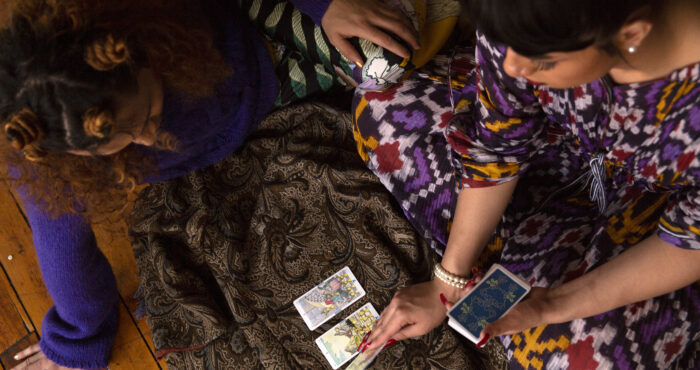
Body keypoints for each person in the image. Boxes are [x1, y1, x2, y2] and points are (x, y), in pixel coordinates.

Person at [0, 0, 420, 368]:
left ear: (142, 46)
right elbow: (62, 252)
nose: (147, 138)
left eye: (148, 114)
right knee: (383, 61)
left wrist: (325, 5)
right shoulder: (52, 160)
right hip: (277, 95)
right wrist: (74, 340)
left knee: (389, 52)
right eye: (121, 142)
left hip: (250, 24)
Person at [352, 0, 700, 367]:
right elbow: (497, 143)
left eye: (542, 59)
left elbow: (690, 242)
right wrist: (447, 280)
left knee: (581, 354)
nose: (511, 66)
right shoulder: (525, 19)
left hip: (658, 218)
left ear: (631, 33)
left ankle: (526, 258)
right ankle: (523, 252)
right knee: (382, 111)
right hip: (556, 145)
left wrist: (551, 306)